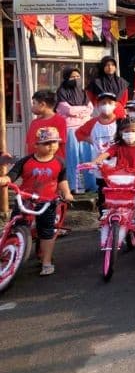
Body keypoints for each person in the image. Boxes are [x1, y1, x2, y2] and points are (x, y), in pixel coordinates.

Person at [0, 127, 74, 276]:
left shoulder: (60, 162)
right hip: (26, 199)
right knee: (17, 227)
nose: (52, 146)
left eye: (55, 142)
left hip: (48, 202)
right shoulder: (26, 161)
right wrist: (4, 180)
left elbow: (62, 180)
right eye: (47, 143)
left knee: (47, 232)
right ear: (36, 145)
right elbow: (12, 175)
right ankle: (11, 255)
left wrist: (67, 193)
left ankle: (46, 262)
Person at [93, 118, 135, 242]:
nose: (129, 134)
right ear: (120, 133)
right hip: (121, 182)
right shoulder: (117, 147)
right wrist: (96, 161)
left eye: (133, 131)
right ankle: (116, 226)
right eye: (126, 131)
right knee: (114, 206)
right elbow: (105, 154)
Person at [76, 91, 121, 204]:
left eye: (110, 102)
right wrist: (90, 140)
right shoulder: (92, 123)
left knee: (118, 188)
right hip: (99, 163)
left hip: (118, 163)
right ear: (97, 106)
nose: (106, 105)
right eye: (103, 103)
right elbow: (78, 134)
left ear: (115, 105)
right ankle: (103, 213)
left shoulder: (120, 122)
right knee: (102, 189)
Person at [55, 67, 93, 192]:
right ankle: (73, 187)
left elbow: (90, 109)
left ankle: (91, 185)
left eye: (78, 76)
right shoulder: (61, 92)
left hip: (85, 128)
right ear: (66, 78)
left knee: (88, 157)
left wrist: (78, 111)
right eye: (73, 77)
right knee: (73, 158)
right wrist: (82, 110)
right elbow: (68, 110)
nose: (76, 79)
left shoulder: (82, 92)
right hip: (71, 130)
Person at [26, 90, 68, 161]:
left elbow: (58, 142)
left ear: (42, 104)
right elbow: (28, 143)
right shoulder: (34, 122)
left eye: (34, 103)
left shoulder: (59, 121)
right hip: (33, 163)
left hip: (53, 164)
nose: (32, 106)